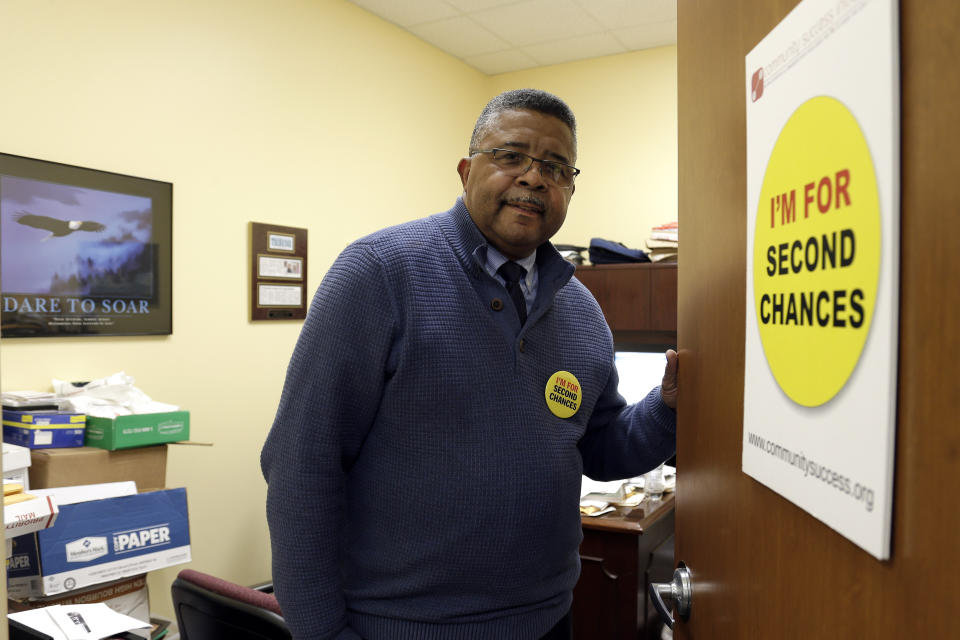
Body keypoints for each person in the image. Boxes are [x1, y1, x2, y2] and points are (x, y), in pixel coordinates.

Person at [261, 88, 679, 640]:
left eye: (556, 167)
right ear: (465, 171)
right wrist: (319, 632)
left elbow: (601, 446)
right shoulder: (378, 274)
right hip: (400, 627)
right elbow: (301, 466)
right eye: (511, 156)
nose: (534, 178)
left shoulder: (581, 309)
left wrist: (668, 406)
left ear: (570, 190)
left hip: (547, 620)